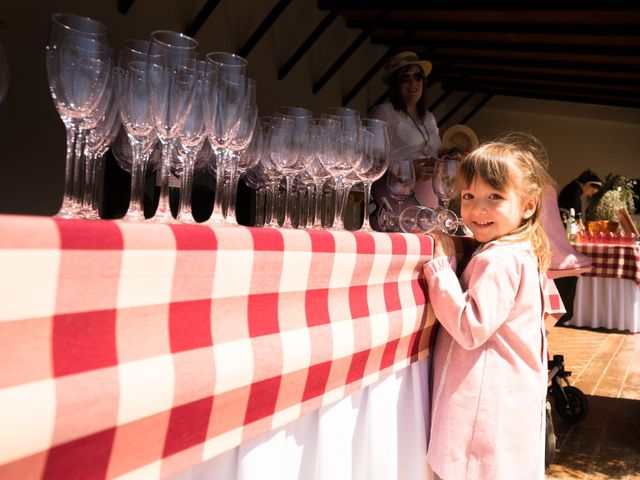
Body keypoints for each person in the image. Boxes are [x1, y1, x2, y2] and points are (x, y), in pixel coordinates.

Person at [423, 135, 563, 479]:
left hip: (483, 404)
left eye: (494, 197)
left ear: (528, 206)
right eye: (469, 196)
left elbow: (470, 328)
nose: (477, 209)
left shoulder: (499, 259)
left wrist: (440, 269)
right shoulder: (521, 250)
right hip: (509, 396)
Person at [369, 51, 441, 229]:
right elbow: (370, 159)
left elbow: (434, 151)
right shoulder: (384, 112)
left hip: (429, 192)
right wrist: (406, 168)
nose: (413, 83)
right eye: (405, 78)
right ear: (394, 84)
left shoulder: (429, 117)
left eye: (417, 77)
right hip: (396, 191)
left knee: (429, 241)